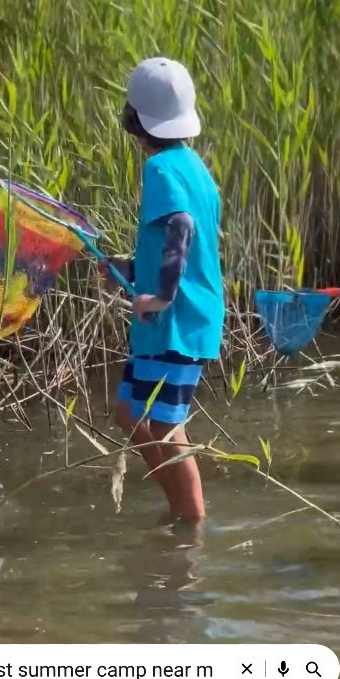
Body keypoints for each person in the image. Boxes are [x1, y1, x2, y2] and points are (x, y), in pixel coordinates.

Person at [101, 57, 224, 523]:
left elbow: (181, 226)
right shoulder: (195, 167)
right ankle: (178, 509)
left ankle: (191, 522)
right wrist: (128, 268)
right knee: (130, 415)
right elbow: (182, 247)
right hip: (175, 319)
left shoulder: (160, 169)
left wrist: (163, 297)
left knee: (166, 426)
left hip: (175, 319)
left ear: (133, 119)